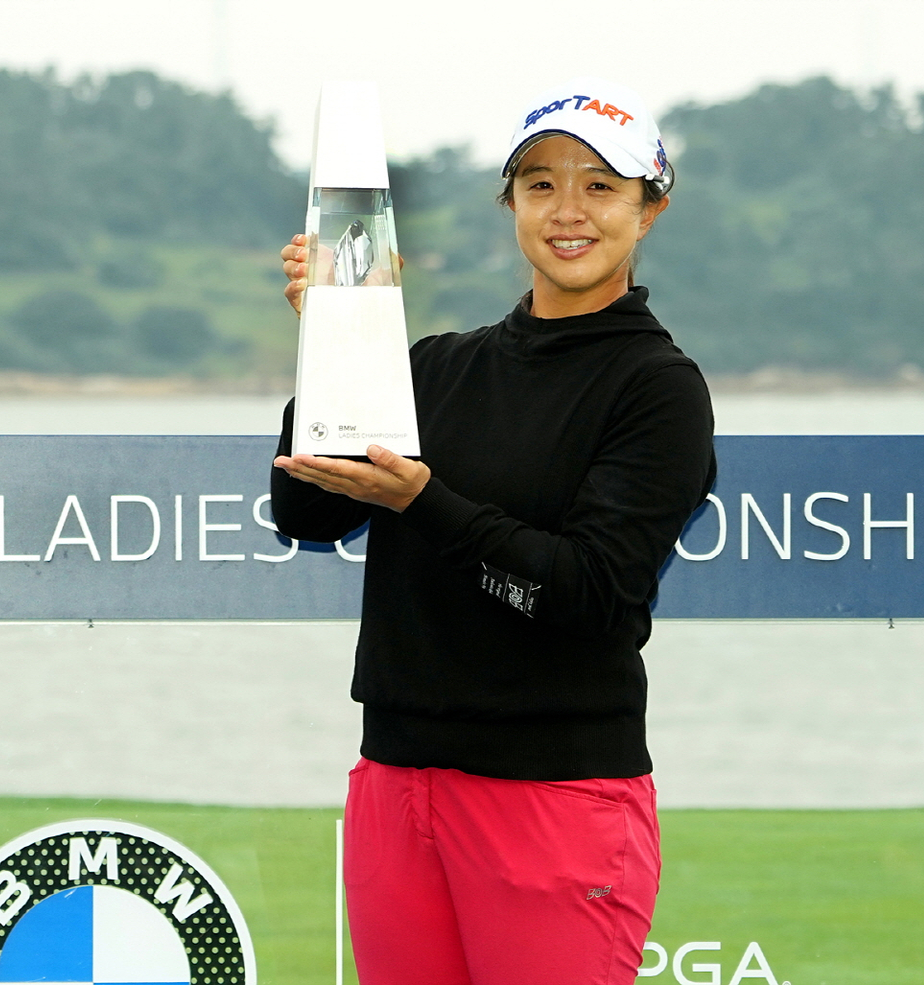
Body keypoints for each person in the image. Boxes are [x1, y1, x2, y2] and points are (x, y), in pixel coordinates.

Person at [270, 77, 717, 985]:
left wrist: (422, 501)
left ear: (649, 211)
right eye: (540, 184)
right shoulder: (434, 366)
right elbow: (306, 510)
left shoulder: (657, 389)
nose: (567, 211)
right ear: (510, 203)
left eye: (600, 186)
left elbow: (589, 595)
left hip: (554, 795)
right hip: (396, 784)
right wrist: (336, 347)